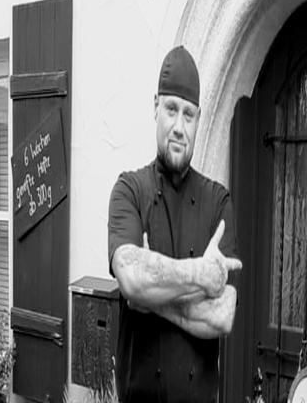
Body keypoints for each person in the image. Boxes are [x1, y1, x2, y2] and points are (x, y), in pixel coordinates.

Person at [108, 45, 242, 403]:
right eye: (171, 110)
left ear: (198, 120)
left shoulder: (219, 202)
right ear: (155, 108)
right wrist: (201, 276)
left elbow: (223, 314)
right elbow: (131, 275)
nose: (179, 127)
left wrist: (150, 299)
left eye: (189, 114)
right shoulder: (129, 190)